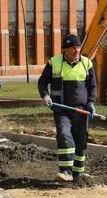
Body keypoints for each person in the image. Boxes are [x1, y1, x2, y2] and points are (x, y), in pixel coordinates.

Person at [38, 34, 96, 182]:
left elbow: (92, 86)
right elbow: (42, 82)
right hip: (61, 109)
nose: (76, 50)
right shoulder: (54, 62)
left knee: (81, 141)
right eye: (72, 48)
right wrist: (46, 96)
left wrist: (90, 103)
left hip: (81, 109)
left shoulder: (87, 63)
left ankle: (78, 173)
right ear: (65, 49)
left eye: (78, 47)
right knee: (64, 136)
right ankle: (65, 171)